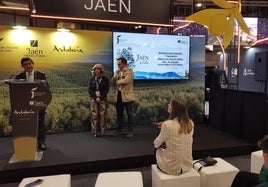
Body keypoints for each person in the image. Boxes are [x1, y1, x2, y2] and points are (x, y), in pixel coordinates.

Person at [15, 57, 49, 150]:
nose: (28, 66)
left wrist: (44, 101)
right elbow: (16, 91)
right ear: (22, 66)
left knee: (40, 123)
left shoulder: (41, 75)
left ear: (33, 64)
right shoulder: (19, 76)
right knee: (27, 124)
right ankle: (28, 143)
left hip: (39, 103)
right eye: (25, 64)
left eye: (29, 63)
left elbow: (47, 88)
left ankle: (41, 142)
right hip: (25, 105)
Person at [153, 99, 194, 175]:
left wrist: (164, 127)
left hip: (172, 168)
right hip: (187, 165)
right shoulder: (190, 123)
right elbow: (178, 128)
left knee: (157, 149)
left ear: (174, 109)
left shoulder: (167, 125)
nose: (168, 105)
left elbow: (156, 143)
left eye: (170, 104)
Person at [111, 57, 135, 139]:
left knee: (129, 114)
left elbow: (126, 81)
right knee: (119, 114)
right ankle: (119, 130)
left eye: (119, 64)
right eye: (117, 64)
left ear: (124, 64)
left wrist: (118, 81)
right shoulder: (117, 72)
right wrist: (115, 77)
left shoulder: (130, 71)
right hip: (119, 95)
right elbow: (112, 82)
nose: (118, 66)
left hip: (127, 96)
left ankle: (130, 131)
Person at [88, 64, 109, 137]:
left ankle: (102, 132)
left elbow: (106, 89)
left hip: (102, 99)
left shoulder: (105, 79)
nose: (96, 70)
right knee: (94, 114)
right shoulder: (92, 79)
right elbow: (90, 90)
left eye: (98, 69)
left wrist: (100, 98)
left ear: (101, 70)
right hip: (94, 99)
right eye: (95, 69)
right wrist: (95, 98)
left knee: (102, 115)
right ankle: (94, 132)